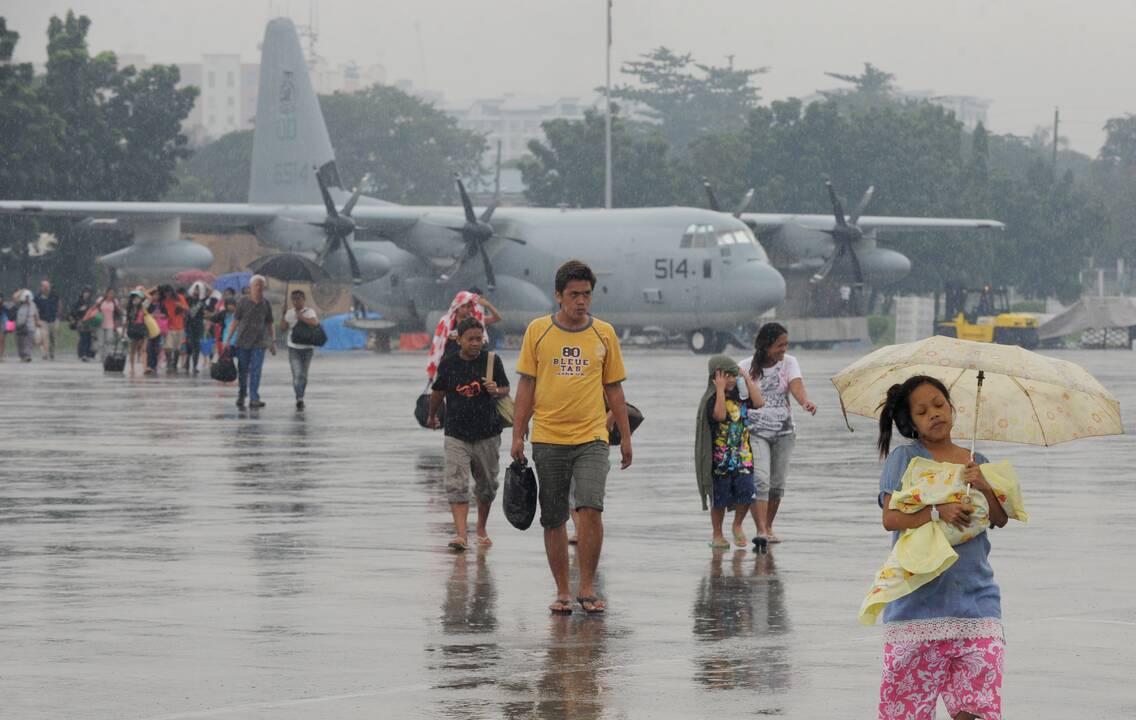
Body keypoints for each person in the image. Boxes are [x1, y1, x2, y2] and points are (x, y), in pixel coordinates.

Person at [875, 375, 1008, 720]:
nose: (934, 414)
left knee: (974, 707)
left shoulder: (976, 460)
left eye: (938, 404)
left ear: (951, 407)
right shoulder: (904, 459)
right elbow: (891, 518)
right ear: (910, 422)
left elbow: (999, 519)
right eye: (922, 411)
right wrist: (937, 511)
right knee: (907, 711)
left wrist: (985, 485)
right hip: (916, 604)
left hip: (977, 601)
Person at [511, 260, 632, 615]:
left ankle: (588, 587)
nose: (581, 301)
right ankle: (563, 590)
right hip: (548, 436)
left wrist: (625, 437)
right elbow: (525, 386)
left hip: (592, 436)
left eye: (587, 294)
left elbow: (615, 389)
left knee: (591, 507)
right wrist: (518, 435)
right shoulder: (538, 331)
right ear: (559, 296)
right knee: (553, 517)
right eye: (574, 294)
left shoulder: (604, 334)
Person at [426, 317, 510, 551]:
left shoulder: (492, 360)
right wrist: (433, 416)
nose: (475, 343)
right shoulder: (449, 364)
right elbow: (438, 392)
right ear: (459, 339)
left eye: (479, 339)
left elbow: (505, 388)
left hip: (488, 433)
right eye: (470, 339)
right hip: (456, 433)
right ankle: (461, 534)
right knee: (456, 483)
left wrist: (497, 389)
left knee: (487, 485)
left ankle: (481, 528)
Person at [737, 323, 817, 545]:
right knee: (760, 480)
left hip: (784, 432)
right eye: (779, 345)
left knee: (777, 484)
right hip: (755, 432)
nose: (784, 349)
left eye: (786, 345)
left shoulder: (789, 363)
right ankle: (761, 530)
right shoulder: (744, 367)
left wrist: (805, 402)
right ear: (766, 345)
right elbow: (736, 395)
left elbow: (796, 385)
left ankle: (768, 525)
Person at [694, 355, 764, 550]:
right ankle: (717, 533)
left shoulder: (742, 395)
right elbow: (720, 415)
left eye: (734, 375)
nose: (732, 380)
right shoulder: (711, 399)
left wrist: (746, 377)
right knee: (719, 499)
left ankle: (737, 524)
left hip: (742, 456)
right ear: (716, 377)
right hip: (720, 460)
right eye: (727, 376)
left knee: (746, 492)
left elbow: (759, 402)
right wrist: (719, 389)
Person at [425, 290, 500, 385]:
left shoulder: (475, 321)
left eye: (469, 307)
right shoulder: (446, 322)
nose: (466, 309)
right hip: (448, 366)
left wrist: (488, 305)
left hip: (468, 366)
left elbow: (497, 318)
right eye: (463, 306)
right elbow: (437, 345)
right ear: (456, 307)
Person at [225, 274, 275, 409]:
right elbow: (235, 321)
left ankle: (254, 397)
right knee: (243, 370)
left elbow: (270, 323)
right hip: (242, 342)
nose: (258, 288)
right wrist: (228, 339)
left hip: (259, 343)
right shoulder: (243, 302)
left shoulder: (266, 304)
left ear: (264, 288)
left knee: (256, 370)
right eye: (256, 285)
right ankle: (242, 394)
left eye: (261, 285)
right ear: (251, 287)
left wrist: (273, 342)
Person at [280, 289, 319, 410]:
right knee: (297, 374)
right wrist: (283, 314)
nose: (296, 301)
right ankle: (299, 398)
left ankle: (301, 394)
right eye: (294, 299)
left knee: (304, 375)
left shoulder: (309, 312)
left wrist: (301, 317)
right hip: (294, 348)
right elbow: (283, 328)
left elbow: (314, 323)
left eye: (299, 299)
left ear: (303, 299)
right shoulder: (289, 313)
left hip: (307, 348)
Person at [160, 285, 188, 372]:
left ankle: (175, 364)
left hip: (179, 326)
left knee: (177, 347)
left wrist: (181, 306)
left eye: (168, 292)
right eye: (165, 293)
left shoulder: (180, 298)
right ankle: (169, 363)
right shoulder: (164, 301)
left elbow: (187, 309)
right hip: (169, 326)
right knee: (168, 346)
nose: (167, 294)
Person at [183, 282, 209, 374]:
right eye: (195, 289)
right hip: (189, 324)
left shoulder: (203, 301)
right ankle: (187, 362)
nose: (196, 291)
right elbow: (187, 311)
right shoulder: (187, 299)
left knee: (197, 345)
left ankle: (194, 365)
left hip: (198, 325)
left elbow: (206, 312)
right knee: (189, 344)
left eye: (198, 289)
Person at [123, 290, 149, 375]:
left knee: (143, 350)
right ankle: (132, 368)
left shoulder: (143, 306)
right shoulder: (129, 308)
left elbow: (150, 298)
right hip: (132, 330)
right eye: (135, 298)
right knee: (132, 350)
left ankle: (145, 368)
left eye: (138, 298)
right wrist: (123, 331)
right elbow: (127, 320)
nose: (136, 299)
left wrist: (143, 290)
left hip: (142, 329)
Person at [34, 279, 60, 360]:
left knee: (53, 338)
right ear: (41, 287)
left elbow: (59, 304)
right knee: (45, 337)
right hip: (43, 320)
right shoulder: (37, 297)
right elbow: (35, 309)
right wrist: (36, 320)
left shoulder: (54, 295)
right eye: (44, 286)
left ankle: (52, 353)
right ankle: (45, 353)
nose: (45, 288)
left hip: (53, 319)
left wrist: (58, 316)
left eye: (47, 286)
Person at [70, 287, 97, 361]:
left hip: (89, 322)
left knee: (89, 338)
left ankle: (87, 353)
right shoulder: (78, 302)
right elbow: (73, 312)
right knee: (83, 338)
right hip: (81, 322)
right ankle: (82, 354)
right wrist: (80, 310)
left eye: (88, 292)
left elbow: (95, 311)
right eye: (85, 292)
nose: (86, 294)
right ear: (82, 293)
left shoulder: (91, 302)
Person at [13, 289, 40, 362]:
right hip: (19, 326)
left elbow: (36, 314)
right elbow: (14, 297)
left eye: (28, 297)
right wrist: (21, 291)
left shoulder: (33, 305)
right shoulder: (19, 304)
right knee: (20, 342)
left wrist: (37, 322)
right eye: (26, 297)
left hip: (30, 326)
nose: (27, 299)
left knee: (29, 342)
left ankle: (27, 355)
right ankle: (22, 355)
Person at [96, 289, 120, 360]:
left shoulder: (115, 302)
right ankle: (102, 356)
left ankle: (107, 356)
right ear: (106, 293)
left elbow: (117, 313)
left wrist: (117, 322)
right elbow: (95, 308)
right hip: (100, 323)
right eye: (109, 293)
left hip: (110, 324)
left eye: (112, 293)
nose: (110, 295)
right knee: (101, 342)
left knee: (109, 340)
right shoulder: (100, 300)